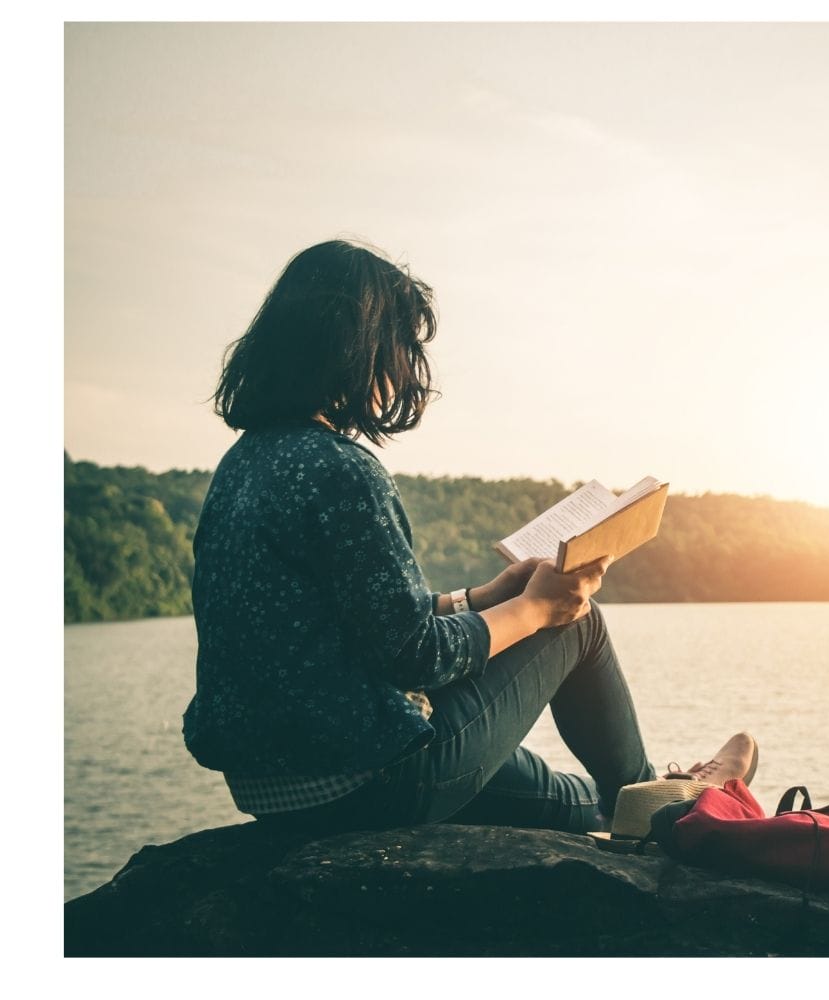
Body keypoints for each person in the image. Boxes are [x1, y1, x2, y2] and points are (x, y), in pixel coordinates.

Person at [182, 239, 756, 837]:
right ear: (361, 345)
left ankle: (654, 798)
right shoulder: (340, 468)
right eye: (401, 344)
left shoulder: (242, 466)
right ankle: (662, 813)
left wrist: (481, 597)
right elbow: (415, 655)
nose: (406, 365)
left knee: (570, 798)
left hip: (278, 792)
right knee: (578, 622)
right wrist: (537, 608)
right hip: (371, 780)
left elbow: (351, 629)